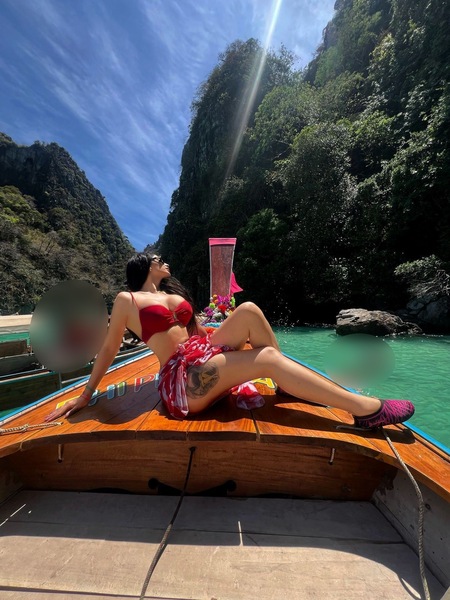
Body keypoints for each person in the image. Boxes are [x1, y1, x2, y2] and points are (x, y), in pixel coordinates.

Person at [45, 253, 415, 428]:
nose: (165, 261)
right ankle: (365, 410)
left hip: (200, 353)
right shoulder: (127, 300)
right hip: (183, 379)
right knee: (266, 359)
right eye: (159, 258)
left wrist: (215, 328)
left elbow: (195, 332)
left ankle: (286, 386)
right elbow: (109, 349)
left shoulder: (172, 295)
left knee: (249, 310)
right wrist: (86, 395)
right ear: (146, 266)